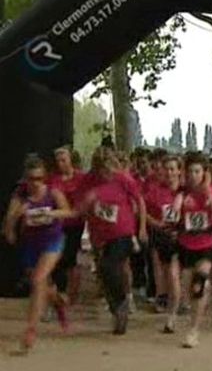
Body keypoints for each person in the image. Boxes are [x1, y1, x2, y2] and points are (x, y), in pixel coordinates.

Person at [3, 155, 74, 350]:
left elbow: (69, 211)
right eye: (31, 179)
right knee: (42, 283)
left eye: (39, 178)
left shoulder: (52, 193)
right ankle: (58, 301)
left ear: (45, 178)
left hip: (53, 241)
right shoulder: (20, 196)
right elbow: (9, 220)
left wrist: (50, 213)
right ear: (25, 179)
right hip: (31, 245)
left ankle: (31, 330)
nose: (36, 183)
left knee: (37, 280)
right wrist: (13, 223)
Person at [78, 146, 148, 335]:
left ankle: (123, 299)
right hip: (99, 233)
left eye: (110, 170)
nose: (108, 175)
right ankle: (117, 308)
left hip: (122, 231)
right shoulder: (88, 181)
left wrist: (141, 228)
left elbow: (139, 201)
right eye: (104, 171)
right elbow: (80, 207)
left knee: (112, 265)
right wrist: (89, 201)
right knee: (103, 272)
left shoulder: (123, 179)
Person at [171, 152, 212, 348]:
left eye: (197, 171)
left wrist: (208, 191)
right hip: (186, 245)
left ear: (204, 173)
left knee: (198, 284)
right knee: (188, 288)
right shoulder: (182, 193)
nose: (194, 175)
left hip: (206, 245)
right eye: (190, 171)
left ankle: (194, 330)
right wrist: (176, 210)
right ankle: (200, 298)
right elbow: (174, 214)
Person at [144, 155, 183, 331]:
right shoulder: (155, 191)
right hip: (161, 235)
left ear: (179, 171)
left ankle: (176, 302)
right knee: (163, 270)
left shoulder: (186, 191)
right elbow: (142, 211)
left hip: (182, 237)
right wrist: (155, 223)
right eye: (166, 169)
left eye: (173, 169)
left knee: (175, 273)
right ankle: (164, 297)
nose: (169, 173)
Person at [49, 147, 86, 305]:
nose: (61, 163)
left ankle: (72, 294)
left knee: (70, 257)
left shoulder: (81, 178)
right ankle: (61, 291)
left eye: (64, 159)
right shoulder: (54, 180)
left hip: (76, 223)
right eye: (58, 161)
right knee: (58, 258)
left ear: (71, 160)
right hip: (59, 224)